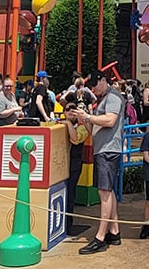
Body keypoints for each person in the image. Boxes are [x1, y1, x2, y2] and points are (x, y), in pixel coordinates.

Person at [74, 69, 125, 254]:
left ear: (103, 81)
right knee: (107, 189)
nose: (93, 90)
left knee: (104, 192)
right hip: (102, 148)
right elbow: (93, 128)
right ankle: (114, 231)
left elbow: (110, 120)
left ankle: (100, 237)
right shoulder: (104, 99)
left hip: (108, 150)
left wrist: (88, 117)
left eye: (95, 85)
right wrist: (84, 118)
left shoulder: (113, 97)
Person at [61, 95, 91, 236]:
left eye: (74, 109)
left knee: (70, 195)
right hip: (59, 165)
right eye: (68, 109)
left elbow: (75, 139)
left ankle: (68, 225)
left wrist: (67, 124)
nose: (71, 112)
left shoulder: (82, 127)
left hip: (74, 164)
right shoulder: (58, 124)